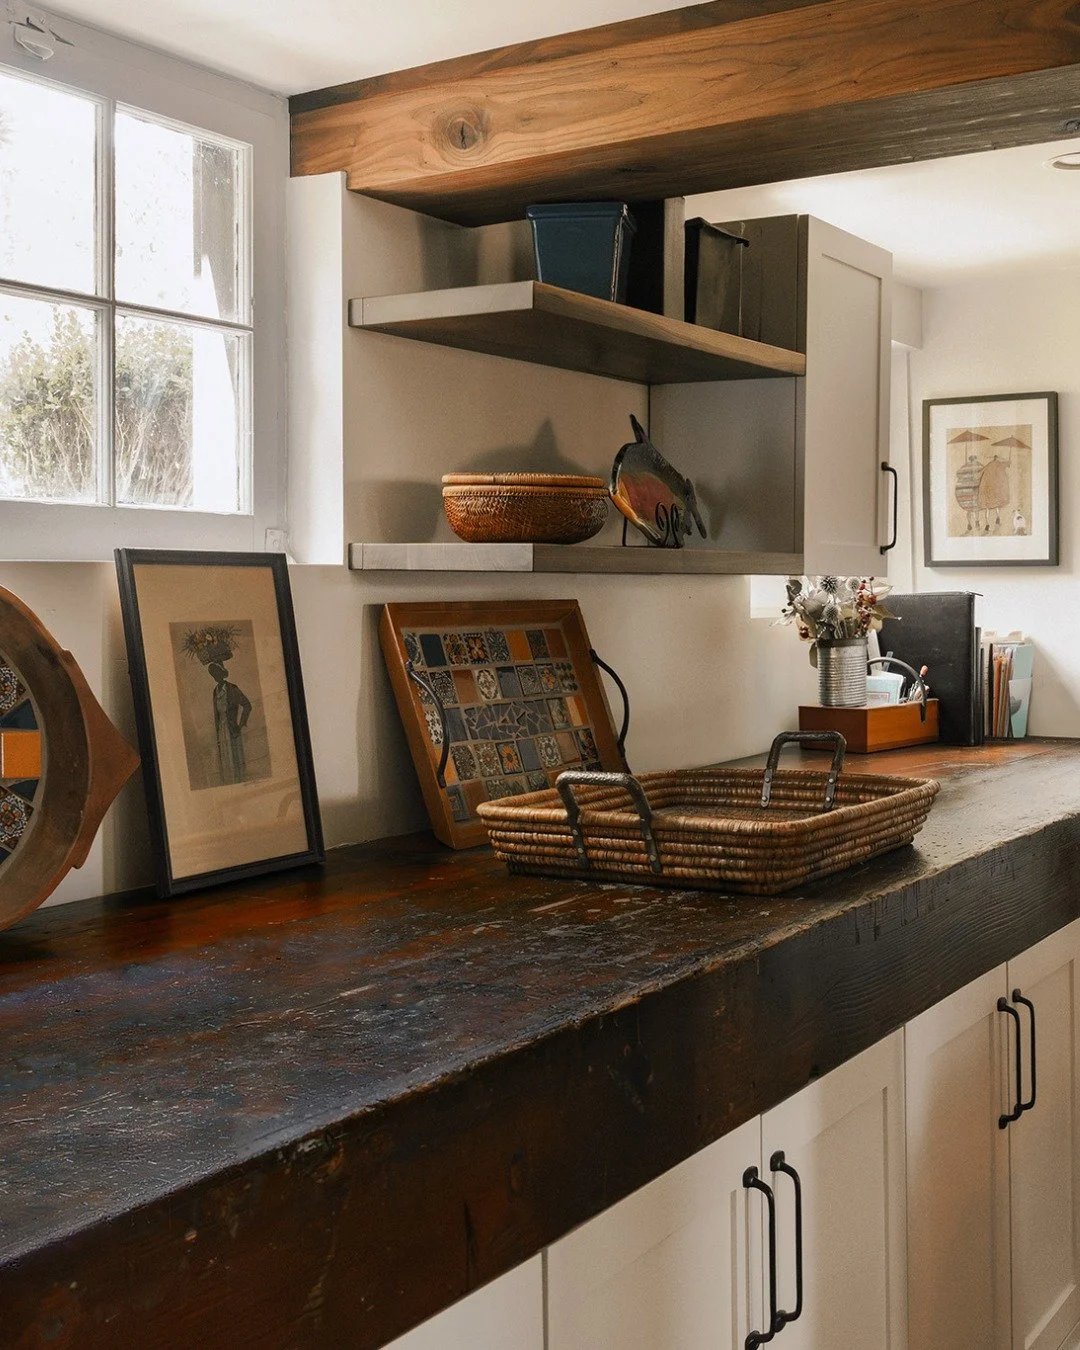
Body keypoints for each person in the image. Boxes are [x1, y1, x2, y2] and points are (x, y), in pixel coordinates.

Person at [207, 662, 252, 785]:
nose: (215, 676)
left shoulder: (232, 688)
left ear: (222, 673)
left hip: (232, 728)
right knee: (225, 757)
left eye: (217, 672)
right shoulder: (215, 691)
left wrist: (241, 724)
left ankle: (240, 783)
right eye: (213, 674)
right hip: (221, 730)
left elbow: (247, 705)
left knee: (235, 757)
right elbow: (217, 714)